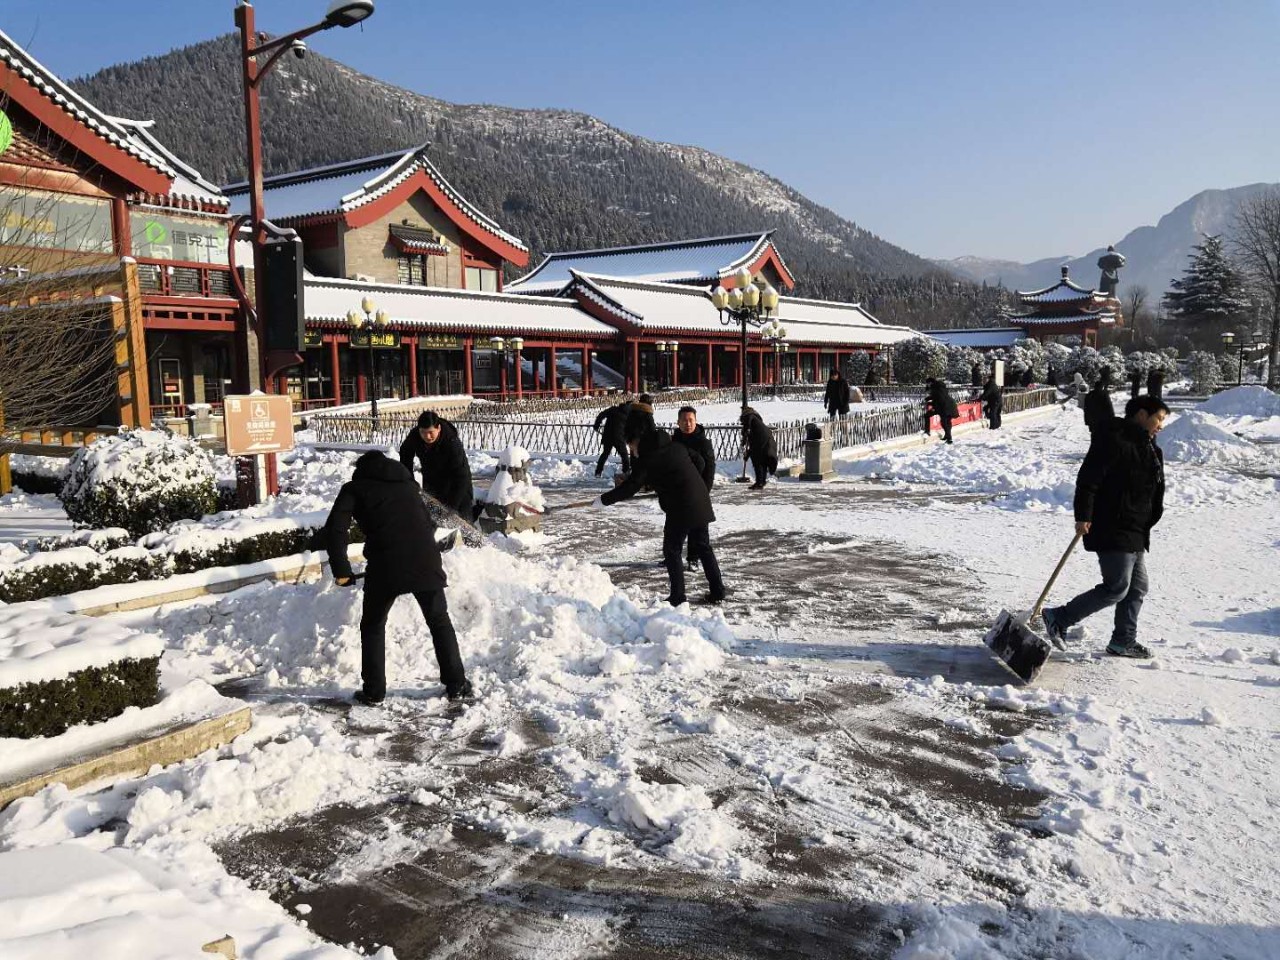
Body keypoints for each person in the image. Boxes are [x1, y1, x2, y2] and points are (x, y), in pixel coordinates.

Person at [323, 451, 472, 704]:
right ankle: (456, 684)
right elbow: (428, 521)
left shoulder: (355, 488)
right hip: (426, 560)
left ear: (362, 470)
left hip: (385, 565)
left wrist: (342, 571)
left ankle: (374, 691)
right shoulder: (410, 486)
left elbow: (335, 529)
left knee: (373, 625)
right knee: (439, 621)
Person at [1041, 396, 1168, 659]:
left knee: (1137, 588)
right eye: (1159, 419)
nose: (1161, 426)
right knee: (1117, 586)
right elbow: (1089, 479)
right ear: (1142, 415)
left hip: (1136, 528)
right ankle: (1059, 617)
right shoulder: (1113, 439)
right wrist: (1083, 514)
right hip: (1113, 524)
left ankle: (1123, 641)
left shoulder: (1151, 449)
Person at [597, 420, 726, 607]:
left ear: (637, 441)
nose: (631, 450)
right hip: (700, 500)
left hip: (680, 508)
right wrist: (686, 480)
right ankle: (718, 591)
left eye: (630, 445)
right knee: (703, 546)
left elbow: (631, 486)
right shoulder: (676, 446)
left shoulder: (648, 458)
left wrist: (604, 500)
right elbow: (699, 461)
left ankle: (678, 597)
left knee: (672, 550)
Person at [399, 411, 474, 518]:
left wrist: (451, 507)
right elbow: (405, 452)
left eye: (430, 432)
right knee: (432, 521)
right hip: (431, 483)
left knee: (461, 523)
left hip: (457, 487)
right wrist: (409, 479)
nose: (427, 436)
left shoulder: (451, 442)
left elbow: (461, 476)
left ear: (438, 428)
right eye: (423, 432)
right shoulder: (415, 435)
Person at [671, 405, 716, 571]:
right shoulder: (673, 441)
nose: (687, 424)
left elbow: (710, 469)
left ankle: (694, 558)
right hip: (677, 492)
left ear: (696, 421)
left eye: (690, 420)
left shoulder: (703, 443)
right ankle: (672, 555)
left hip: (698, 493)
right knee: (674, 528)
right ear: (678, 422)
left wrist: (704, 491)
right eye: (684, 420)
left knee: (698, 530)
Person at [739, 406, 777, 489]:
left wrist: (744, 441)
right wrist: (747, 452)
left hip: (761, 441)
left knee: (758, 460)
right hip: (765, 440)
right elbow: (750, 438)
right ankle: (761, 481)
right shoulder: (756, 419)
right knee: (762, 460)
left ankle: (759, 483)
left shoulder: (749, 416)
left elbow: (747, 430)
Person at [592, 400, 632, 476]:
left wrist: (597, 425)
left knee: (605, 454)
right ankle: (626, 472)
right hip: (619, 437)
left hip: (607, 436)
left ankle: (598, 472)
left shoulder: (613, 409)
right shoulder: (629, 415)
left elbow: (601, 415)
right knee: (624, 455)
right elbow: (629, 429)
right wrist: (626, 438)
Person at [924, 378, 959, 444]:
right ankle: (947, 436)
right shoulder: (940, 386)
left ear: (930, 383)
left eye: (928, 383)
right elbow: (939, 396)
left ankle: (949, 438)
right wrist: (929, 398)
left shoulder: (935, 388)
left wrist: (931, 404)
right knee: (947, 421)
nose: (927, 385)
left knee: (943, 422)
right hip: (949, 404)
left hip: (944, 406)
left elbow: (939, 398)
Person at [1083, 367, 1115, 434]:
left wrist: (1087, 421)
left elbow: (1086, 409)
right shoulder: (1104, 395)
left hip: (1092, 422)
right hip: (1103, 421)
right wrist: (1112, 419)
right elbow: (1109, 407)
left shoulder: (1089, 395)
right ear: (1101, 387)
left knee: (1094, 437)